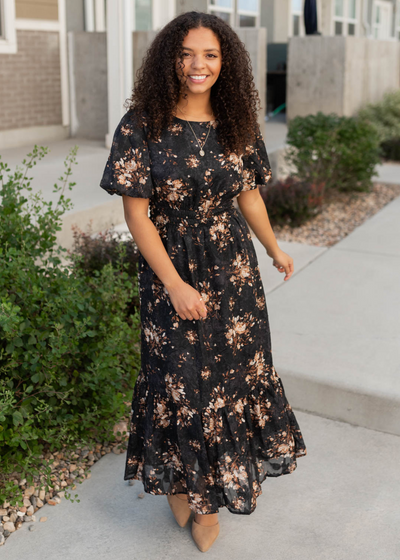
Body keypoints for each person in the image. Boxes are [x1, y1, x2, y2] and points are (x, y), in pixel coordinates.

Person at [99, 10, 307, 553]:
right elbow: (137, 216)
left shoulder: (236, 120)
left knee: (232, 381)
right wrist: (172, 284)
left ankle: (207, 497)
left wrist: (274, 246)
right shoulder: (142, 123)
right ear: (170, 58)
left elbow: (249, 195)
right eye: (187, 53)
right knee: (181, 383)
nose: (199, 65)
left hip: (233, 273)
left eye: (211, 55)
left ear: (226, 62)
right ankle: (186, 484)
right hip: (172, 271)